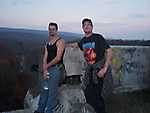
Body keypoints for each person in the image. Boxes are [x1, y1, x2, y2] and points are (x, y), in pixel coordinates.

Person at [66, 18, 112, 113]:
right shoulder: (83, 41)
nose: (86, 26)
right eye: (84, 25)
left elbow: (109, 51)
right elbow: (76, 45)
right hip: (90, 71)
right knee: (89, 95)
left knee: (99, 97)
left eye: (88, 24)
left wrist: (105, 69)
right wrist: (65, 45)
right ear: (82, 28)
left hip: (99, 69)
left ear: (92, 27)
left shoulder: (98, 37)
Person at [34, 22, 65, 113]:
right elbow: (45, 57)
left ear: (56, 30)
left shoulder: (60, 41)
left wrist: (46, 66)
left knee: (52, 93)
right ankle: (40, 110)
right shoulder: (48, 43)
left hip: (56, 69)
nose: (51, 31)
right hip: (47, 69)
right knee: (44, 90)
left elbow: (58, 57)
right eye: (49, 29)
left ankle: (49, 111)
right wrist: (44, 68)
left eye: (53, 29)